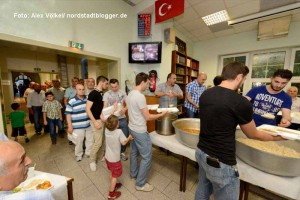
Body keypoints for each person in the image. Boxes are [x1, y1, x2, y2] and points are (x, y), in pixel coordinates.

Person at [195, 62, 285, 200]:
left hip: (201, 151)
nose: (243, 82)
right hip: (221, 159)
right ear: (239, 77)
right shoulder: (240, 102)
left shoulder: (206, 93)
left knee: (202, 188)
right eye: (244, 80)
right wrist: (276, 138)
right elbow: (252, 134)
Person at [126, 72, 167, 192]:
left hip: (132, 127)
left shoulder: (130, 94)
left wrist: (146, 109)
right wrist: (161, 114)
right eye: (148, 83)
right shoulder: (140, 96)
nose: (148, 85)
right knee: (147, 157)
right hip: (139, 130)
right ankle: (140, 184)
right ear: (143, 82)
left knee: (133, 152)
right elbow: (148, 117)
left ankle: (133, 175)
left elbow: (135, 110)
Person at [105, 115, 133, 199]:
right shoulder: (119, 132)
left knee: (112, 173)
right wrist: (129, 138)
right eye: (118, 121)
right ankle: (111, 194)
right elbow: (124, 143)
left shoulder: (106, 130)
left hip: (107, 157)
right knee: (115, 176)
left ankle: (114, 185)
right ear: (117, 124)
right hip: (115, 160)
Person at [103, 79, 129, 161]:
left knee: (124, 136)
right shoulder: (106, 94)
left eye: (116, 86)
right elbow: (105, 107)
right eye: (112, 87)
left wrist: (125, 109)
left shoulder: (122, 93)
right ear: (110, 86)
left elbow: (128, 104)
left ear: (118, 85)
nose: (114, 88)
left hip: (122, 118)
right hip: (112, 119)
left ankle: (122, 152)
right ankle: (112, 153)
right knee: (112, 137)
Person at [86, 76, 109, 171]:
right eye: (106, 83)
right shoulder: (93, 93)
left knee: (103, 140)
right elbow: (87, 109)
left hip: (102, 120)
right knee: (98, 142)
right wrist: (95, 122)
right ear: (101, 82)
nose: (107, 85)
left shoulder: (101, 93)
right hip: (95, 121)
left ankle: (101, 156)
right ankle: (92, 161)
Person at [66, 84, 93, 162]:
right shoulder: (71, 101)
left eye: (83, 89)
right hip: (77, 126)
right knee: (79, 142)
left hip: (88, 124)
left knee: (90, 140)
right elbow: (68, 114)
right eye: (79, 89)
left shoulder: (88, 99)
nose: (82, 91)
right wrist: (70, 126)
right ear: (76, 90)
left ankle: (88, 153)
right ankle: (79, 155)